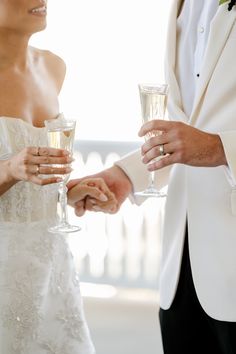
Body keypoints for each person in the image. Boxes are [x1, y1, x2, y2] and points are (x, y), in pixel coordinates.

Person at [68, 0, 236, 353]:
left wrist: (222, 149)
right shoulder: (178, 7)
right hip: (179, 275)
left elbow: (209, 140)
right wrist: (125, 176)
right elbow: (190, 124)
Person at [0, 1, 118, 353]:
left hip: (52, 270)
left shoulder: (54, 67)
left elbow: (30, 185)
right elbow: (12, 172)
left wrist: (69, 190)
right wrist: (8, 168)